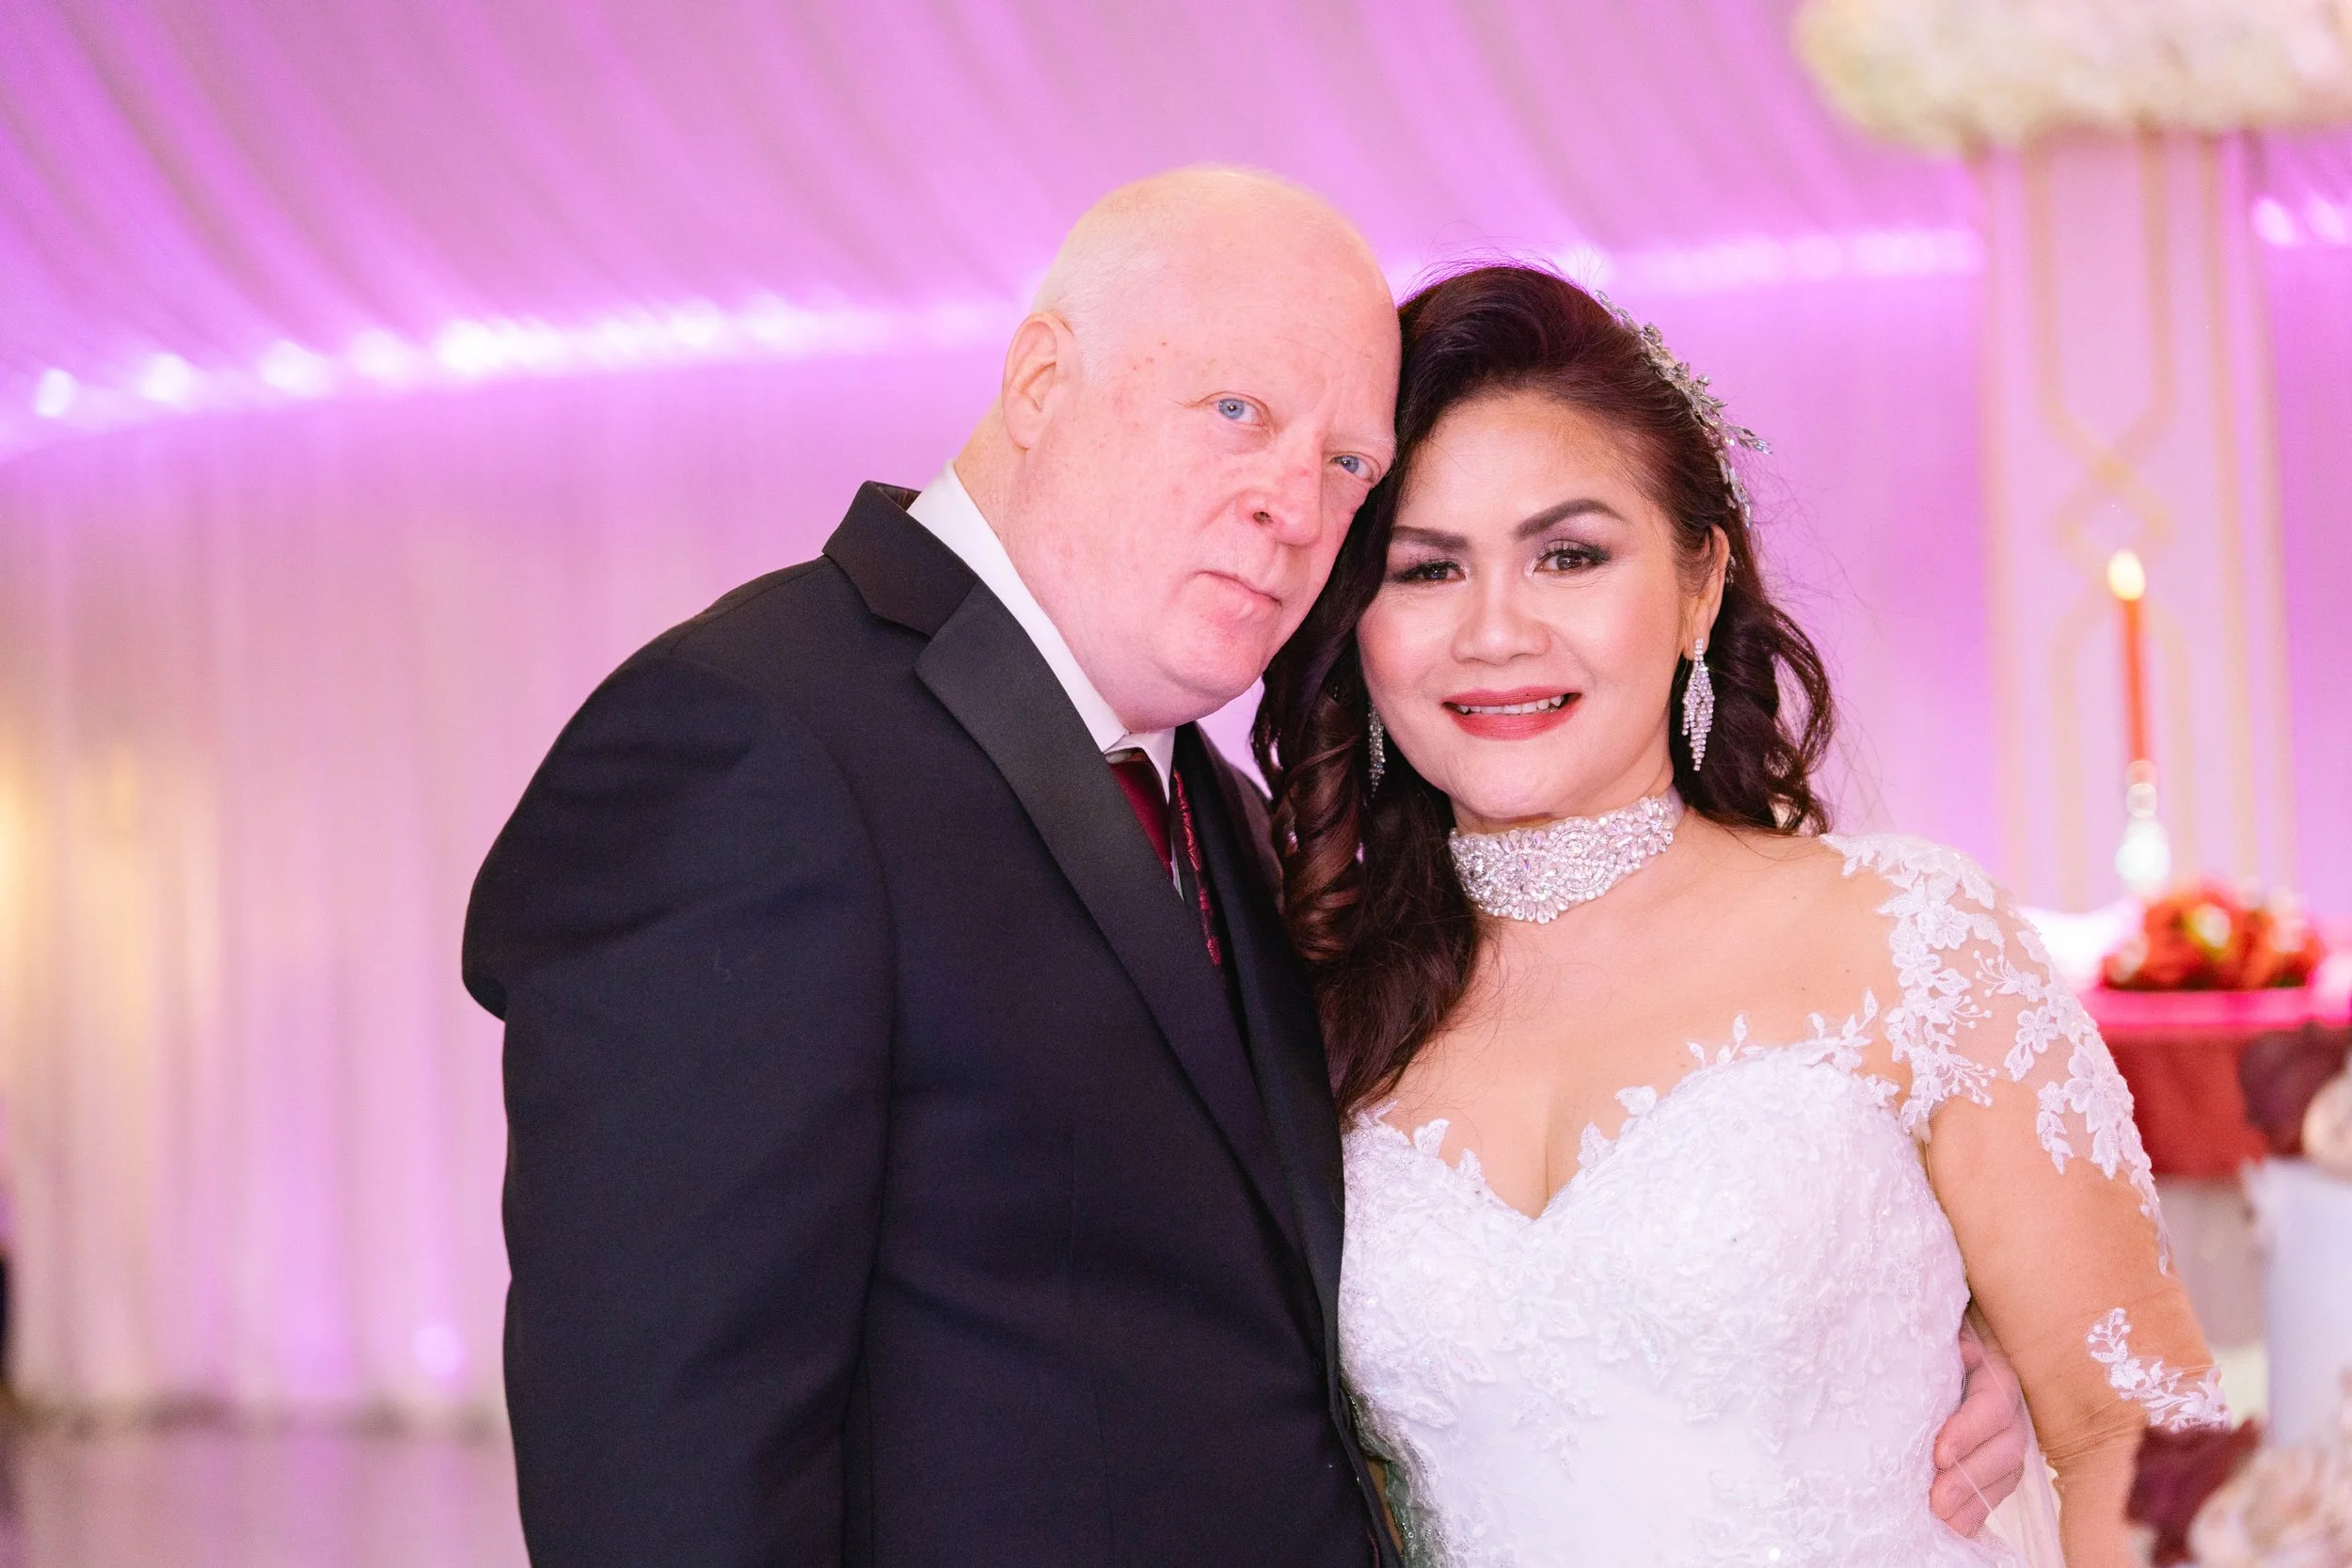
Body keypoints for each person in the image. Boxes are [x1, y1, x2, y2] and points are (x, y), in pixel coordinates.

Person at [462, 168, 2026, 1566]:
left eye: (1348, 463)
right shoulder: (758, 742)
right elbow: (663, 1470)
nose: (1294, 502)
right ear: (1041, 380)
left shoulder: (1230, 815)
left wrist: (1882, 1309)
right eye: (1237, 413)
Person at [1255, 263, 2225, 1567]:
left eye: (1569, 555)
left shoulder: (1911, 941)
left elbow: (2130, 1429)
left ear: (1699, 583)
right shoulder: (1304, 1004)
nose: (1495, 631)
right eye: (1426, 570)